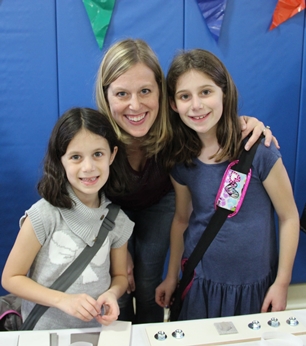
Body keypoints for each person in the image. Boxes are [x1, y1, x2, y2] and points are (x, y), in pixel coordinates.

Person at [95, 38, 277, 323]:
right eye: (121, 94)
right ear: (105, 95)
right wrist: (117, 245)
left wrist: (249, 123)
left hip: (159, 202)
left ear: (161, 94)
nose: (135, 105)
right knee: (117, 285)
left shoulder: (176, 126)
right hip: (110, 209)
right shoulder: (98, 135)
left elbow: (210, 117)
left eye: (145, 91)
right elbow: (88, 194)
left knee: (147, 284)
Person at [155, 49, 300, 320]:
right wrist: (172, 275)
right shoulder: (180, 161)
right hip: (199, 284)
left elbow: (289, 216)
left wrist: (282, 282)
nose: (196, 105)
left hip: (253, 288)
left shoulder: (259, 150)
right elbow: (182, 220)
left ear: (224, 91)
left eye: (206, 92)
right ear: (174, 104)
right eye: (185, 96)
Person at [1, 108, 134, 330]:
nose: (89, 167)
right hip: (43, 333)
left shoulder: (118, 221)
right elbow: (11, 278)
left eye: (98, 154)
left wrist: (112, 293)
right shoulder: (43, 215)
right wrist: (62, 300)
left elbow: (120, 275)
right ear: (60, 160)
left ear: (112, 154)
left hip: (95, 331)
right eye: (75, 157)